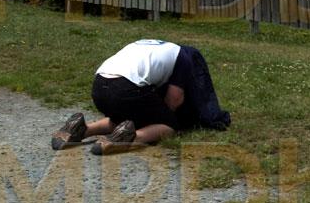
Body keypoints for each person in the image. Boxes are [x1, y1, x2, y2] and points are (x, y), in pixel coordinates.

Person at [51, 39, 231, 155]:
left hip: (99, 86)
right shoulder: (183, 56)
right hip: (126, 87)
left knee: (127, 116)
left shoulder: (150, 45)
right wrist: (164, 118)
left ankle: (82, 129)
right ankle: (129, 138)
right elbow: (174, 99)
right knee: (169, 126)